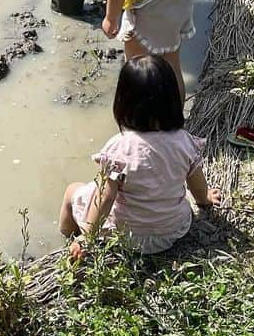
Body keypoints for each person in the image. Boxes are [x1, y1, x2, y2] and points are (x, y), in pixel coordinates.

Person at [58, 55, 220, 259]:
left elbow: (105, 198)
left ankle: (69, 239)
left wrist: (88, 238)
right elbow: (196, 185)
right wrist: (204, 199)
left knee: (73, 191)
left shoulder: (119, 148)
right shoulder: (183, 141)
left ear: (123, 102)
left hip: (127, 237)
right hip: (173, 230)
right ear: (172, 99)